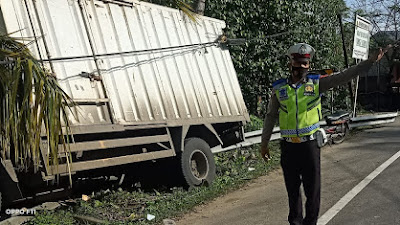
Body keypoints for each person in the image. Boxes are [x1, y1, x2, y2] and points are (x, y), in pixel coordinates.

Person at [260, 43, 386, 225]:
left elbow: (345, 75)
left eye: (305, 63)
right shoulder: (279, 89)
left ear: (309, 65)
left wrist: (370, 62)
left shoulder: (317, 83)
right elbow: (270, 116)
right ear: (291, 63)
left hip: (309, 146)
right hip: (288, 147)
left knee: (313, 191)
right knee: (293, 191)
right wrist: (264, 144)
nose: (302, 67)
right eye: (298, 62)